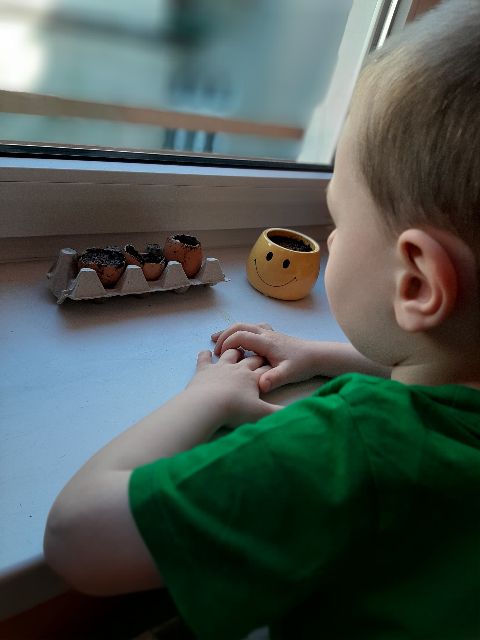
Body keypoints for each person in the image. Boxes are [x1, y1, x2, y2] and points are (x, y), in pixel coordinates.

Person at [44, 1, 480, 638]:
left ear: (415, 282)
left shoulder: (351, 448)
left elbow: (75, 537)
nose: (330, 239)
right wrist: (330, 354)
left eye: (338, 219)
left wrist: (207, 395)